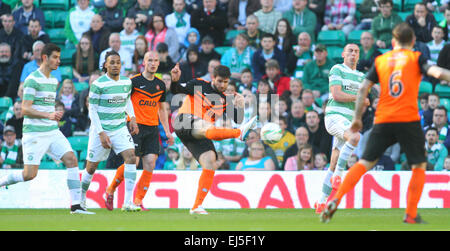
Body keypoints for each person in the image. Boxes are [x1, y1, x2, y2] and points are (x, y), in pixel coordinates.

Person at [321, 23, 450, 224]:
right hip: (408, 118)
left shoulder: (381, 60)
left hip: (383, 118)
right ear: (413, 42)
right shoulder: (415, 57)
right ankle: (410, 213)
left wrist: (356, 118)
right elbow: (435, 72)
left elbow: (364, 87)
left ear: (392, 42)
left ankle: (336, 199)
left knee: (365, 161)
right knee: (419, 164)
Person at [0, 43, 91, 214]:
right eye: (55, 57)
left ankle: (76, 206)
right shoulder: (32, 80)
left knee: (71, 159)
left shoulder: (53, 80)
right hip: (34, 133)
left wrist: (53, 115)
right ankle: (2, 181)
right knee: (29, 174)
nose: (58, 61)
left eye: (59, 57)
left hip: (51, 131)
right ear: (44, 58)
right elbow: (25, 109)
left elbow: (45, 107)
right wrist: (48, 115)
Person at [170, 63, 257, 214]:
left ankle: (197, 206)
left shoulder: (225, 100)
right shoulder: (199, 84)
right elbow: (177, 90)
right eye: (220, 81)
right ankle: (238, 134)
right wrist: (175, 80)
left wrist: (240, 105)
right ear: (213, 78)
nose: (223, 85)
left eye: (225, 82)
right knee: (207, 127)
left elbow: (238, 119)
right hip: (184, 121)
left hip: (200, 132)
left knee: (210, 160)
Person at [104, 51, 174, 210]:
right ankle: (110, 189)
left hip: (152, 128)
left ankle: (137, 201)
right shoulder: (133, 81)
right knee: (133, 162)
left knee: (150, 163)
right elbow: (122, 102)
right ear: (144, 62)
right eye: (150, 60)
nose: (153, 63)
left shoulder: (160, 84)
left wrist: (167, 131)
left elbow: (162, 109)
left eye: (156, 60)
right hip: (134, 127)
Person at [80, 50, 140, 212]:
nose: (115, 65)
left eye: (118, 62)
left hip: (120, 128)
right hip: (101, 129)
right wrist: (101, 133)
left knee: (131, 158)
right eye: (111, 62)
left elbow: (127, 100)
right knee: (91, 168)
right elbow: (91, 110)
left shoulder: (126, 82)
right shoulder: (98, 84)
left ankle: (127, 202)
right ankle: (81, 199)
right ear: (105, 65)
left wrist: (132, 117)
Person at [315, 43, 366, 214]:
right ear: (343, 54)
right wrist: (359, 98)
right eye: (350, 50)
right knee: (355, 138)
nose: (353, 53)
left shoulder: (361, 76)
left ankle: (321, 202)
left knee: (334, 161)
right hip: (334, 117)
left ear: (358, 56)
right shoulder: (337, 69)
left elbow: (360, 103)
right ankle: (339, 175)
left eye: (356, 51)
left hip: (348, 120)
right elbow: (336, 95)